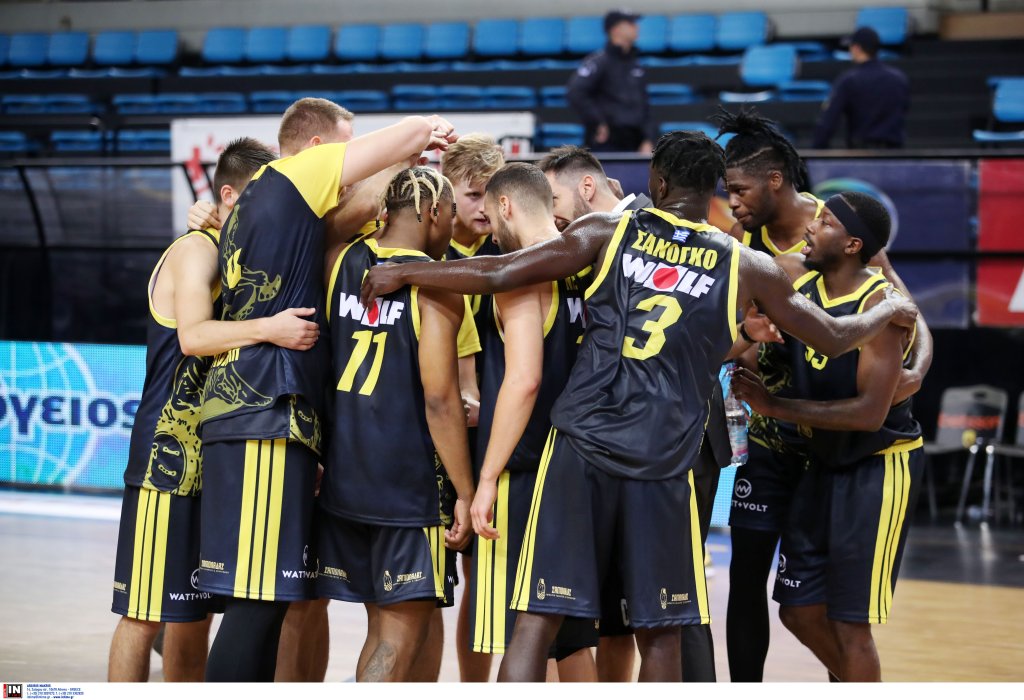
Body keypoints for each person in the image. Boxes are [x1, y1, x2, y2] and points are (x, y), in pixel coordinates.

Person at [360, 130, 919, 682]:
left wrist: (406, 270)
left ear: (658, 182)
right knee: (661, 632)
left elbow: (501, 271)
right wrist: (885, 310)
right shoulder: (748, 265)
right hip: (663, 459)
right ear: (713, 191)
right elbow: (832, 337)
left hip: (582, 448)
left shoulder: (608, 230)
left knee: (537, 620)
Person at [196, 98, 457, 682]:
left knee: (267, 603)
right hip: (265, 410)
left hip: (264, 414)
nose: (350, 167)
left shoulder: (276, 214)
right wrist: (430, 130)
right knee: (257, 602)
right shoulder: (295, 175)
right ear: (317, 150)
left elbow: (347, 217)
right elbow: (409, 132)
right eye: (345, 149)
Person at [714, 106, 932, 682]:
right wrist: (745, 343)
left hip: (835, 443)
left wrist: (917, 370)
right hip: (773, 437)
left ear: (775, 181)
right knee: (761, 583)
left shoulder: (841, 228)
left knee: (841, 610)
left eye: (739, 191)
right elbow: (729, 336)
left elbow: (904, 310)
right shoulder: (758, 251)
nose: (731, 204)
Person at [109, 138, 317, 682]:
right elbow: (194, 338)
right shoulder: (195, 250)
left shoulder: (236, 256)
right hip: (167, 458)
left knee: (193, 615)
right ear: (230, 196)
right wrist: (271, 328)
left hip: (219, 455)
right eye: (261, 200)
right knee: (143, 614)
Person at [538, 144, 728, 682]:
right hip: (613, 439)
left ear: (588, 188)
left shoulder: (643, 230)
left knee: (673, 608)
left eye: (554, 199)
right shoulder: (601, 233)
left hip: (672, 444)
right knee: (623, 607)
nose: (551, 215)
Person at [315, 167, 474, 681]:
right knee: (400, 633)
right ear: (433, 212)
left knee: (378, 626)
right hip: (408, 487)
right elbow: (441, 401)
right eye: (451, 212)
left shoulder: (341, 261)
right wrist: (466, 492)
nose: (453, 224)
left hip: (344, 477)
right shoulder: (437, 286)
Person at [466, 163, 596, 681]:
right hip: (583, 465)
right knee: (571, 640)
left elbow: (523, 380)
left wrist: (486, 478)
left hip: (527, 473)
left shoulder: (521, 271)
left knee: (522, 638)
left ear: (505, 205)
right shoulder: (586, 262)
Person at [438, 134, 505, 682]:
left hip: (496, 432)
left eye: (492, 194)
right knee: (429, 587)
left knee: (484, 576)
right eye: (473, 193)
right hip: (437, 433)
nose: (484, 206)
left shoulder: (513, 252)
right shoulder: (428, 253)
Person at [567, 9, 654, 155]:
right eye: (631, 23)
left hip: (635, 142)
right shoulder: (599, 61)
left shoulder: (636, 65)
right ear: (615, 29)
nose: (637, 27)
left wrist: (648, 138)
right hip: (607, 142)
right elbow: (576, 91)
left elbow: (645, 106)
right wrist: (597, 122)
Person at [812, 27, 910, 149]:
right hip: (895, 153)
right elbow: (904, 110)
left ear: (857, 48)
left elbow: (829, 121)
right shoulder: (899, 79)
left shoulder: (849, 81)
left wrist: (817, 149)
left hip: (862, 154)